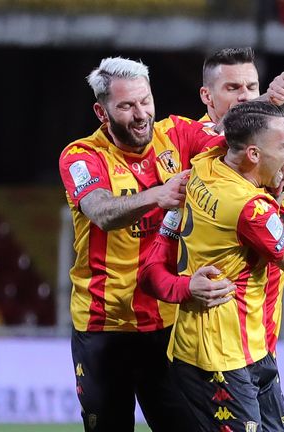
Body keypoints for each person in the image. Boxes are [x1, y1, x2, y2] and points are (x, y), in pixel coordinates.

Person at [58, 57, 222, 432]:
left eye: (145, 100)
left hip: (166, 326)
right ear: (102, 112)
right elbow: (100, 210)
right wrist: (159, 195)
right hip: (103, 329)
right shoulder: (82, 155)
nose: (140, 113)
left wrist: (267, 102)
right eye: (126, 106)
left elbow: (237, 141)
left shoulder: (177, 134)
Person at [170, 101, 284, 431]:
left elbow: (228, 131)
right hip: (221, 355)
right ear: (252, 154)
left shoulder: (207, 163)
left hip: (251, 348)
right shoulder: (248, 207)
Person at [199, 47, 284, 132]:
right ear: (207, 96)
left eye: (252, 88)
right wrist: (267, 100)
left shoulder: (268, 136)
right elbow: (219, 131)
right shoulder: (190, 138)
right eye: (233, 88)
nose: (246, 96)